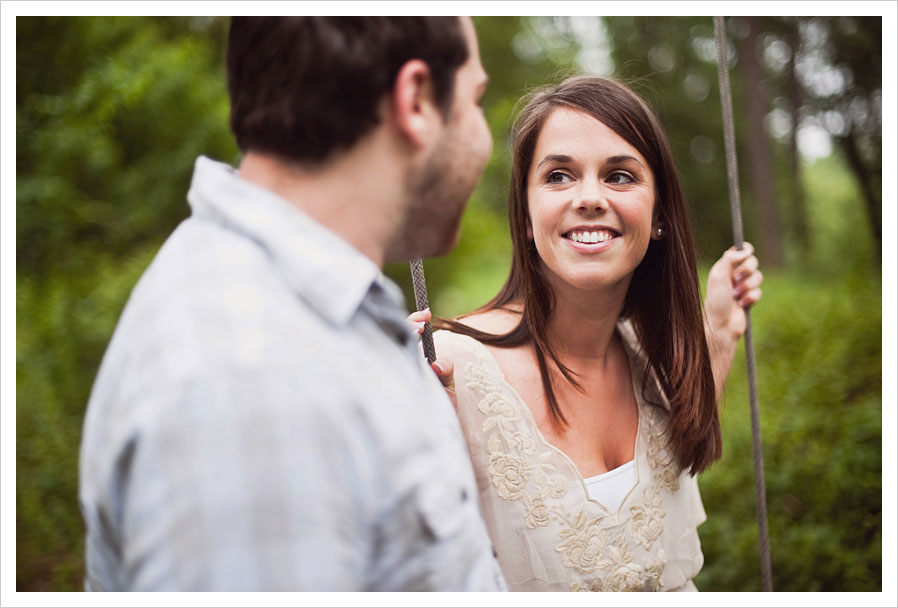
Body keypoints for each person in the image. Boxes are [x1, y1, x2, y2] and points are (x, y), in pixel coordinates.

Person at [78, 17, 507, 591]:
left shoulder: (305, 327)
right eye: (476, 101)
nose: (480, 133)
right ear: (417, 101)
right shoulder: (250, 380)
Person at [409, 76, 764, 592]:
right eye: (558, 176)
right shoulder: (448, 367)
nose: (590, 198)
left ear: (659, 214)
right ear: (526, 216)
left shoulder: (651, 356)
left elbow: (687, 430)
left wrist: (722, 331)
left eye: (620, 176)